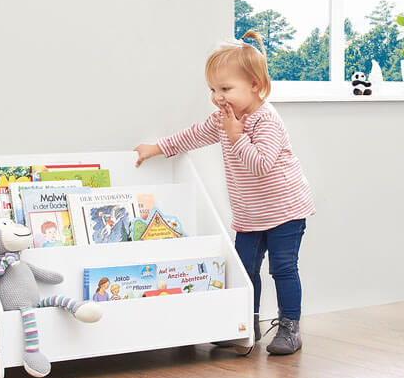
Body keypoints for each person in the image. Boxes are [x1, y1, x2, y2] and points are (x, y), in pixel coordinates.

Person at [133, 31, 314, 355]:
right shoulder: (223, 119)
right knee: (244, 269)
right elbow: (194, 135)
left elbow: (260, 164)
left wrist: (235, 136)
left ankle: (290, 326)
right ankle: (246, 322)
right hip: (249, 215)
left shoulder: (266, 121)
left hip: (285, 211)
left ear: (255, 85)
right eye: (213, 90)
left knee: (283, 268)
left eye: (226, 89)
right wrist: (158, 148)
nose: (218, 97)